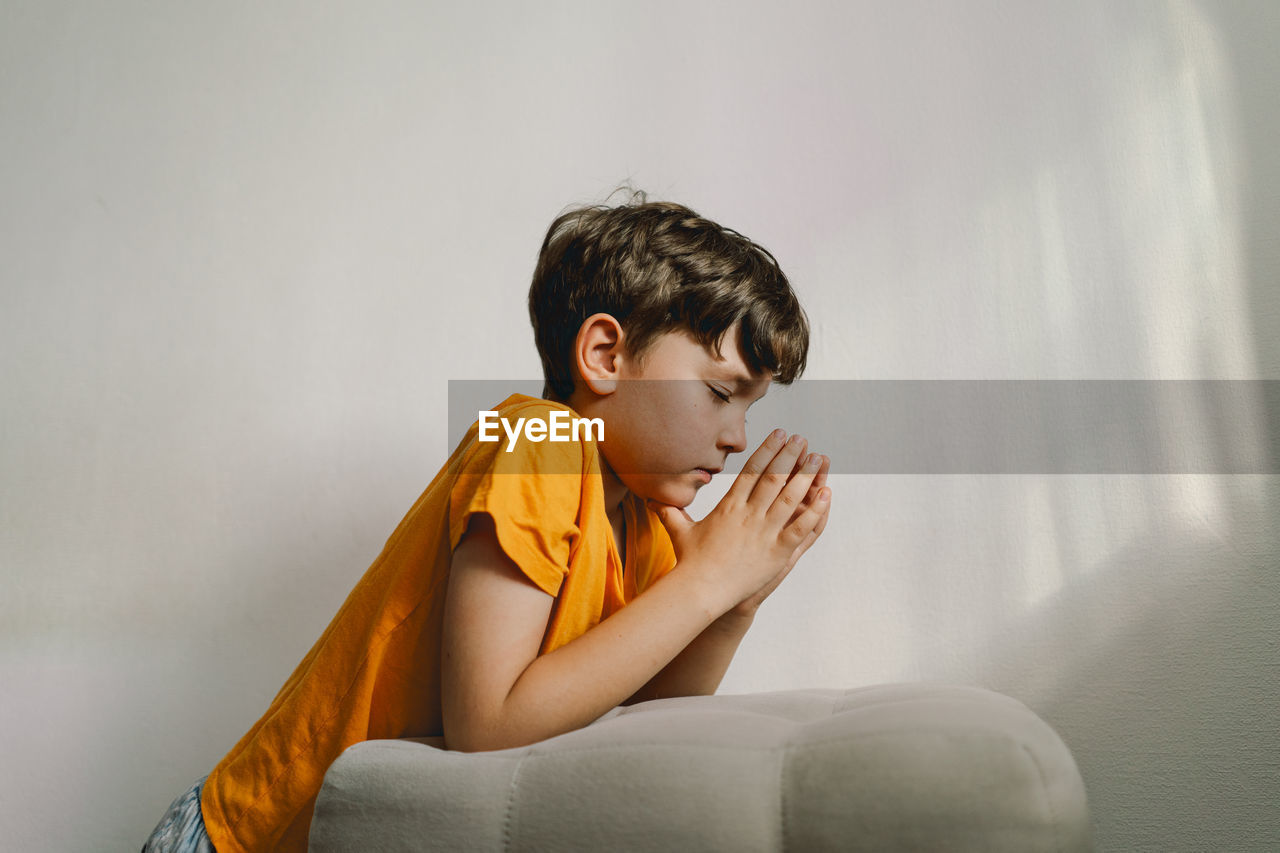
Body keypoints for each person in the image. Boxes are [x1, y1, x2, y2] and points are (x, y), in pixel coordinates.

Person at [142, 192, 832, 853]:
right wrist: (704, 583)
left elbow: (637, 717)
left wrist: (730, 606)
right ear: (603, 356)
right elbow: (489, 721)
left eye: (749, 408)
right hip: (247, 838)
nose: (738, 437)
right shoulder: (537, 439)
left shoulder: (646, 524)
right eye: (718, 393)